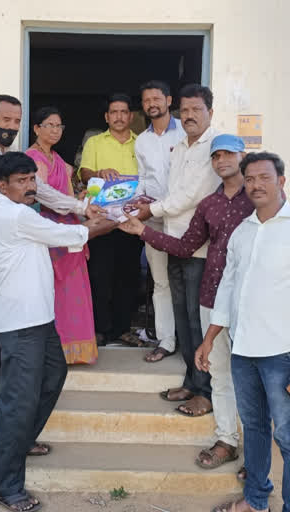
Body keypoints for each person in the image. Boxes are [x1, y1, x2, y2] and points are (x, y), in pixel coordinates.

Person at [195, 152, 290, 512]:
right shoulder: (243, 231)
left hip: (283, 353)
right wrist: (210, 337)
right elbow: (227, 287)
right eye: (250, 179)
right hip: (242, 350)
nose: (256, 184)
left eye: (264, 177)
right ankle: (256, 500)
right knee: (254, 430)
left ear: (281, 181)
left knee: (289, 437)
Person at [0, 94, 103, 415]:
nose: (11, 127)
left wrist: (79, 206)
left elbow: (42, 191)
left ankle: (5, 388)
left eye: (16, 121)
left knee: (10, 321)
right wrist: (6, 217)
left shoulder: (13, 155)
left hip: (15, 246)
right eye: (5, 120)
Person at [0, 152, 111, 512]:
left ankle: (22, 440)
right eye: (21, 181)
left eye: (32, 180)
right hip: (20, 324)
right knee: (18, 405)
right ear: (2, 186)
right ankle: (5, 486)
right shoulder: (14, 216)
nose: (29, 187)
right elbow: (74, 233)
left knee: (53, 375)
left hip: (39, 319)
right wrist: (120, 219)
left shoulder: (23, 213)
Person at [120, 134, 252, 467]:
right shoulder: (210, 204)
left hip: (254, 301)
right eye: (216, 156)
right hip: (214, 298)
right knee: (220, 374)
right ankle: (226, 440)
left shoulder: (258, 198)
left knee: (255, 377)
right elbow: (185, 246)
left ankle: (258, 458)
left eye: (228, 154)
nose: (222, 160)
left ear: (242, 156)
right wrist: (142, 231)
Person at [134, 84, 221, 416]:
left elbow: (193, 195)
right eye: (185, 111)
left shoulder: (215, 146)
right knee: (184, 318)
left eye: (196, 110)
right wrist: (146, 203)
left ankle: (206, 391)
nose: (189, 116)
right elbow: (169, 189)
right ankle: (191, 379)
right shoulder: (182, 146)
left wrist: (150, 212)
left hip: (199, 246)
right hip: (174, 239)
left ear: (210, 113)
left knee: (199, 322)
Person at [25, 106, 98, 365]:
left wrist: (81, 202)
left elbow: (65, 198)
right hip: (49, 229)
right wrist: (79, 206)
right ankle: (57, 350)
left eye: (59, 126)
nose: (55, 131)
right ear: (36, 128)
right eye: (50, 125)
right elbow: (44, 195)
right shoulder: (32, 158)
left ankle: (74, 350)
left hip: (68, 228)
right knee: (56, 289)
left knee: (73, 289)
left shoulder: (60, 162)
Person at [78, 93, 143, 346]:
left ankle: (122, 328)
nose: (118, 116)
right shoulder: (95, 142)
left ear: (131, 116)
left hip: (131, 220)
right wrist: (98, 173)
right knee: (100, 275)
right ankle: (100, 329)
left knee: (128, 276)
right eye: (113, 112)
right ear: (107, 117)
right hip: (101, 220)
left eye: (123, 112)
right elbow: (84, 174)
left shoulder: (142, 143)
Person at [133, 80, 185, 363]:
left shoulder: (186, 135)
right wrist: (136, 200)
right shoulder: (142, 140)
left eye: (156, 98)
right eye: (146, 100)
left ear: (168, 100)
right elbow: (143, 178)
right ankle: (166, 340)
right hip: (152, 218)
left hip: (184, 219)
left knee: (188, 281)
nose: (152, 104)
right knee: (161, 283)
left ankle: (190, 340)